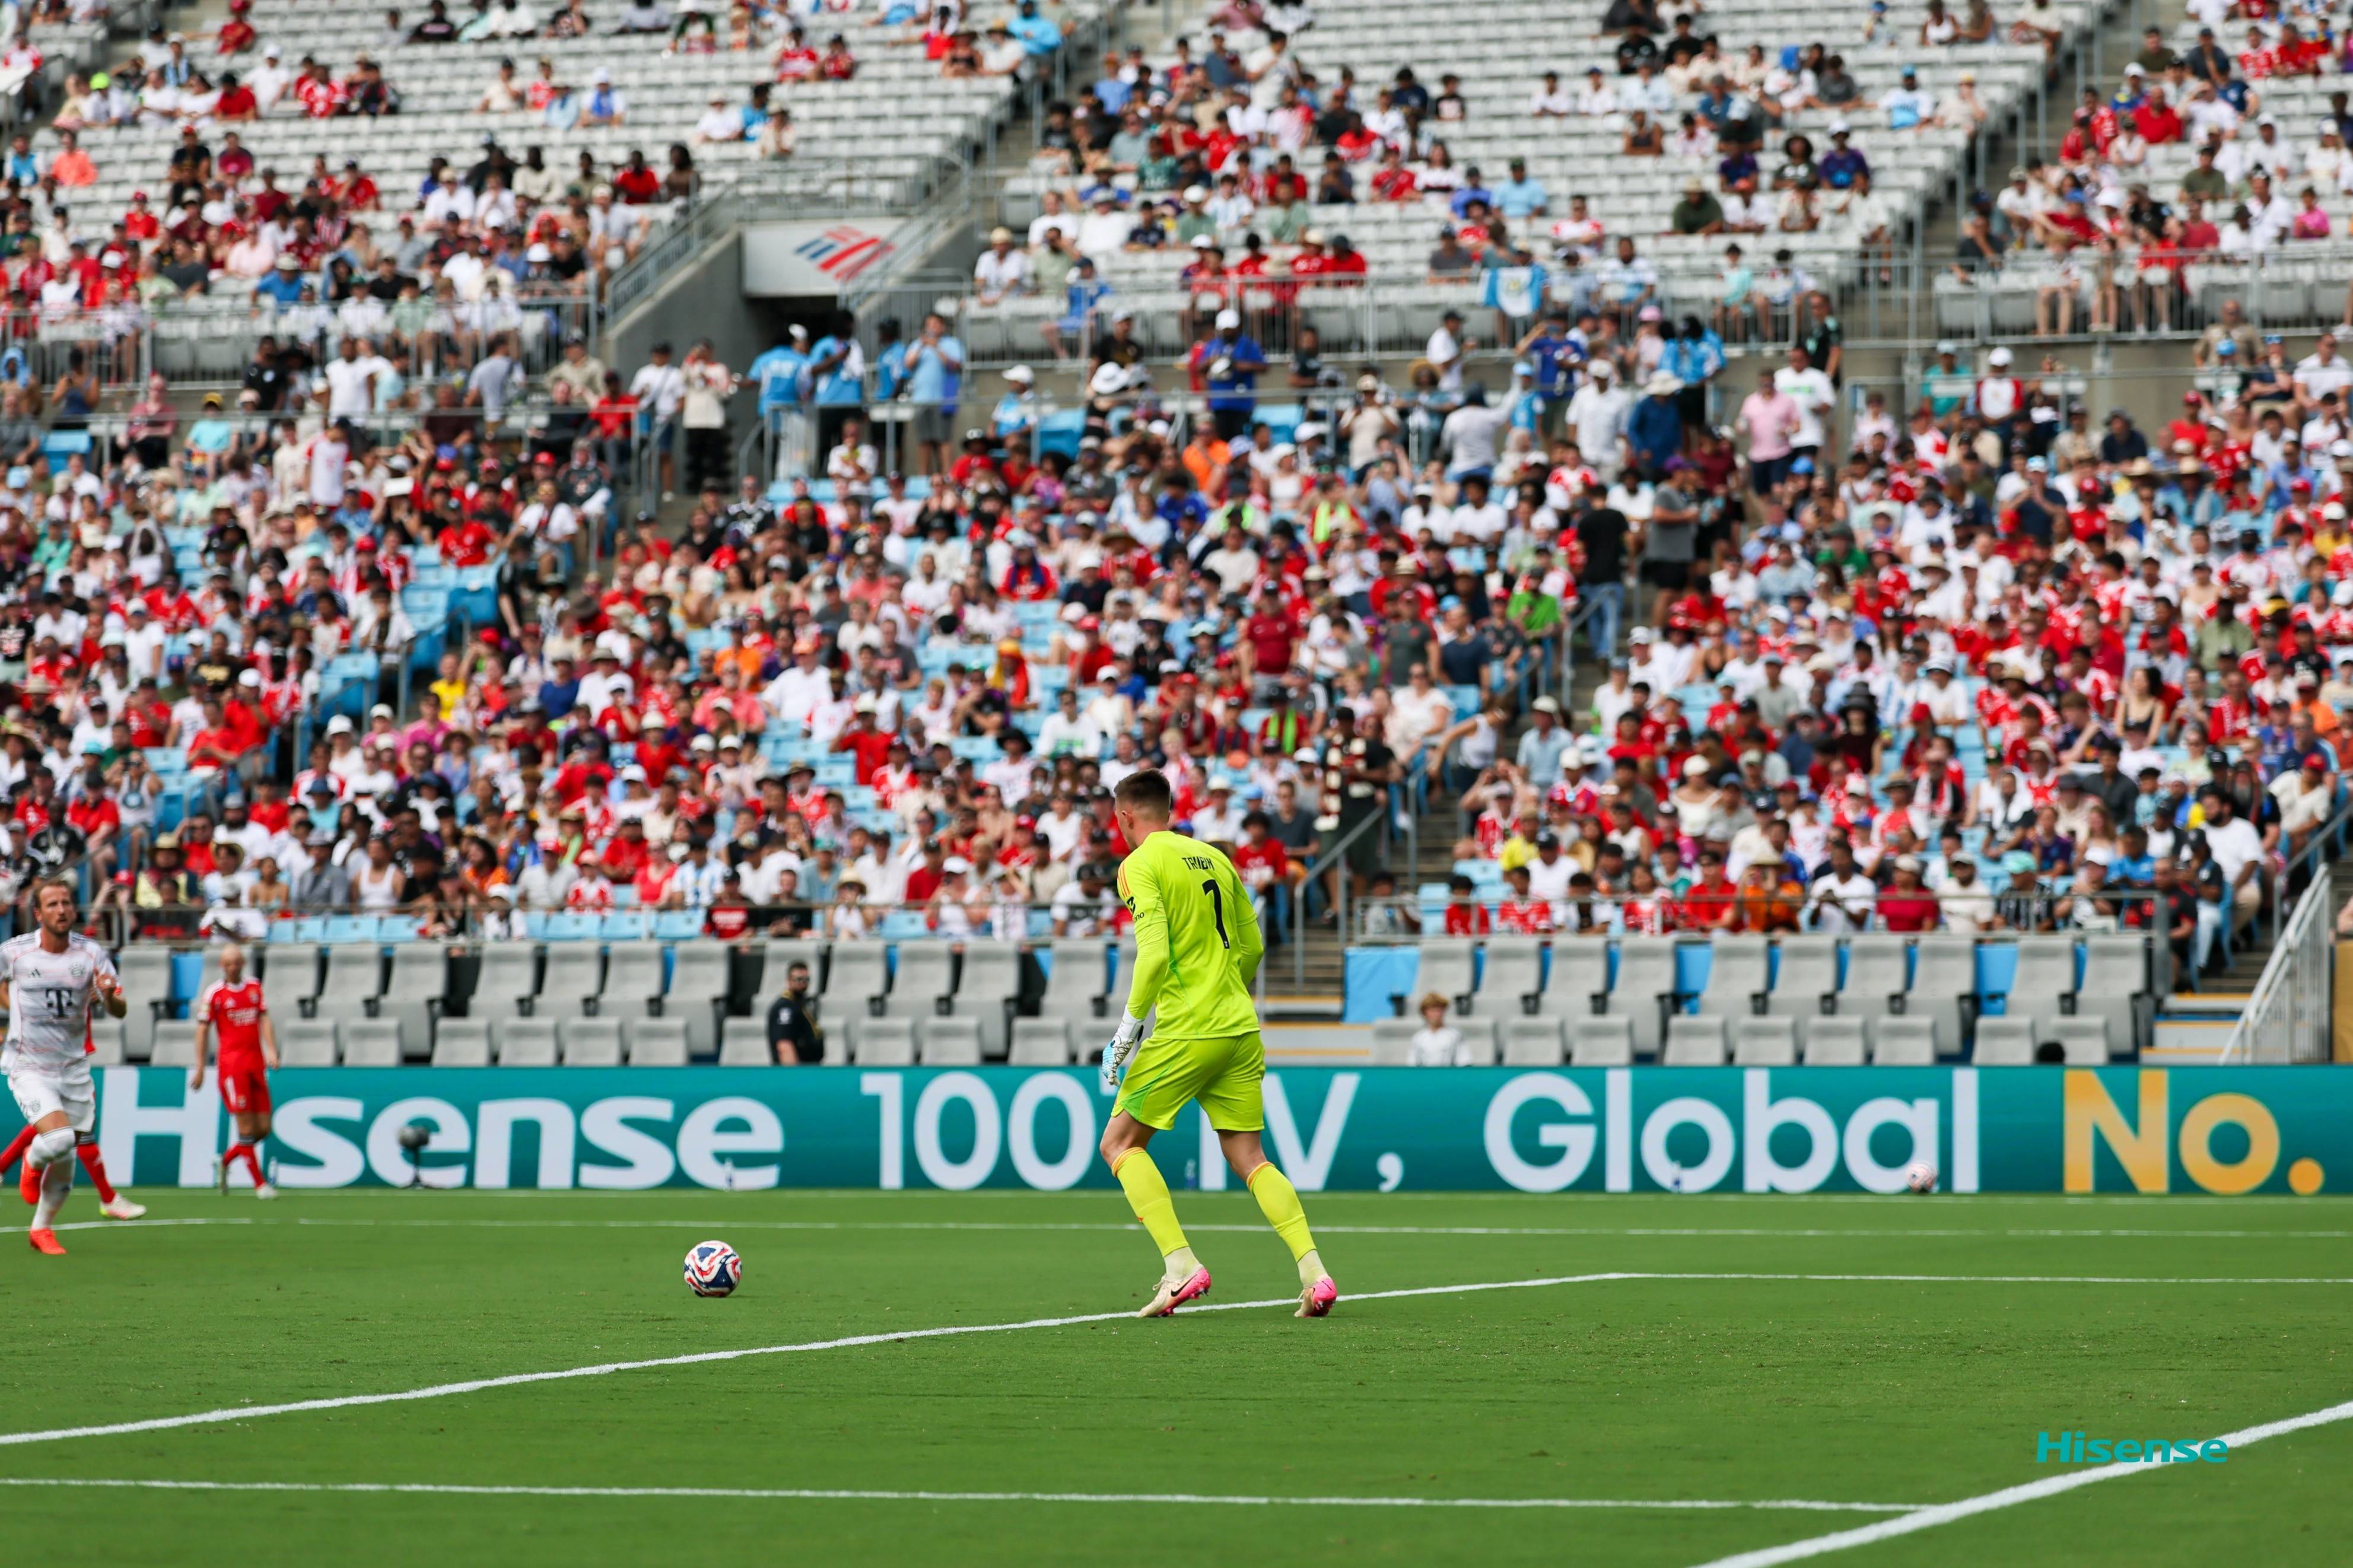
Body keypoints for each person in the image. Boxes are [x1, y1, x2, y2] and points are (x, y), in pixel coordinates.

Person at [1096, 769, 1338, 1319]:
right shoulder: (1215, 858)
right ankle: (1314, 1272)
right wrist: (1225, 989)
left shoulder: (1138, 864)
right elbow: (1252, 944)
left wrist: (1127, 1030)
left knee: (1119, 1145)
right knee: (1250, 1157)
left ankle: (1180, 1265)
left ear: (1128, 815)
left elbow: (1154, 955)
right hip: (1240, 1026)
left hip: (1187, 1030)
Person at [0, 880, 136, 1253]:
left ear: (74, 911)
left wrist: (110, 996)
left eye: (66, 903)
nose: (61, 910)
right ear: (38, 914)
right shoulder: (15, 952)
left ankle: (41, 1229)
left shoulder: (91, 954)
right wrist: (7, 1019)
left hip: (74, 1067)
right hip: (28, 1063)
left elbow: (120, 1009)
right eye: (52, 904)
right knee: (58, 1141)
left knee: (68, 1157)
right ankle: (30, 1160)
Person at [193, 940, 279, 1197]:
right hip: (232, 1068)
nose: (231, 968)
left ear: (242, 964)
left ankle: (226, 1160)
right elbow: (202, 1029)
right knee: (246, 1129)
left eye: (235, 963)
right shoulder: (215, 994)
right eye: (227, 964)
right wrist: (200, 1067)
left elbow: (263, 1017)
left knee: (263, 1128)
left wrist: (271, 1049)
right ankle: (260, 1184)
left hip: (256, 1064)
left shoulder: (254, 987)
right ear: (222, 966)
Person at [765, 959, 822, 1064]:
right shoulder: (785, 1008)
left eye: (806, 979)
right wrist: (793, 1076)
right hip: (797, 1070)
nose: (803, 983)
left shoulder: (801, 1004)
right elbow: (784, 1045)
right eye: (799, 979)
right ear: (789, 980)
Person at [1408, 991, 1470, 1066]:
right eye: (1433, 1011)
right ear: (1425, 1013)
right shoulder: (1418, 1038)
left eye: (1440, 1010)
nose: (1437, 1014)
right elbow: (1412, 1065)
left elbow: (1464, 1062)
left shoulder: (1455, 1035)